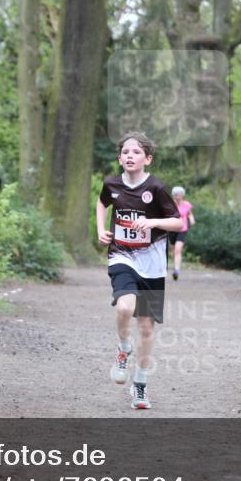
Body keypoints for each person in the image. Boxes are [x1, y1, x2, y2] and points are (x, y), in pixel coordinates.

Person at [96, 132, 183, 409]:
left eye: (136, 152)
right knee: (124, 308)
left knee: (146, 327)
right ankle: (123, 348)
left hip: (152, 263)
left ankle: (140, 385)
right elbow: (102, 203)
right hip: (122, 255)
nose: (130, 156)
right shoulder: (111, 184)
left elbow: (178, 224)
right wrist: (101, 230)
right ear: (120, 158)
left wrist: (152, 222)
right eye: (125, 152)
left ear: (148, 159)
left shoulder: (156, 188)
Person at [169, 186, 196, 280]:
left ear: (182, 195)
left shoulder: (186, 204)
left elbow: (189, 213)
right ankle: (175, 265)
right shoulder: (170, 204)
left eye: (179, 194)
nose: (178, 196)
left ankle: (176, 270)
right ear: (173, 195)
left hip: (182, 229)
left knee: (177, 250)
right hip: (172, 229)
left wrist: (192, 219)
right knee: (173, 250)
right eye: (176, 194)